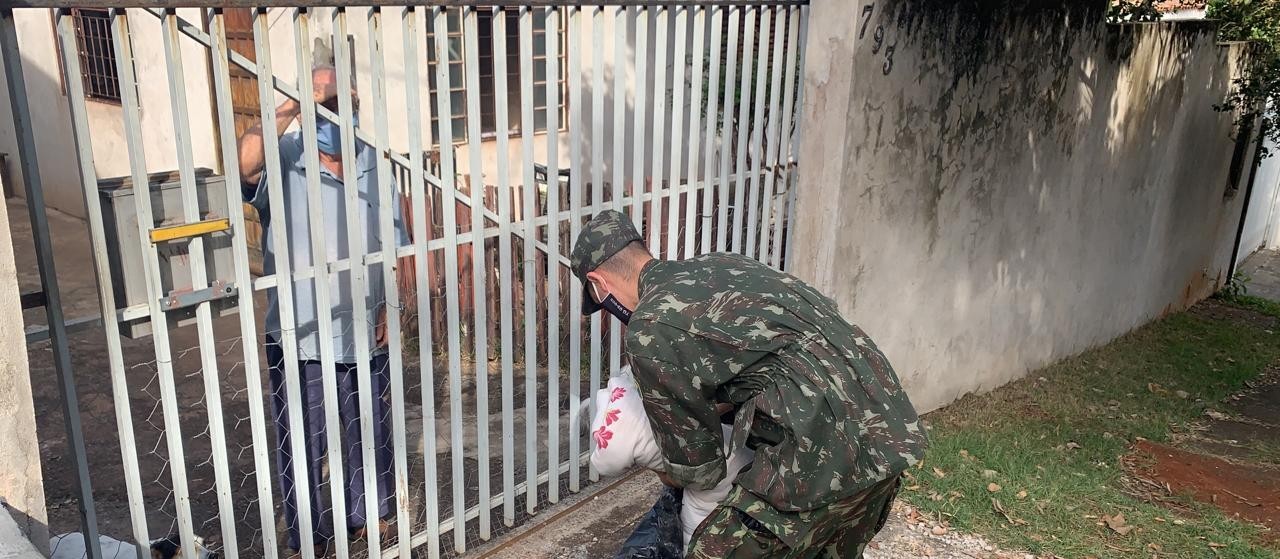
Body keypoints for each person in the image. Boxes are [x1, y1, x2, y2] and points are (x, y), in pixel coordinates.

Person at [569, 210, 928, 558]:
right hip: (889, 430)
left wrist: (645, 448)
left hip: (819, 455)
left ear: (600, 285)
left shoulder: (649, 329)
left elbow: (702, 473)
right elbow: (767, 358)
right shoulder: (723, 265)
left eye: (599, 302)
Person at [236, 66, 407, 556]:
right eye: (327, 105)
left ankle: (370, 515)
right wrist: (295, 103)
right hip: (298, 332)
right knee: (303, 442)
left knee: (369, 432)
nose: (338, 114)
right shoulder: (287, 158)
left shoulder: (374, 161)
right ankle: (308, 534)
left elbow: (392, 244)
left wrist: (388, 309)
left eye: (345, 104)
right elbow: (244, 163)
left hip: (361, 327)